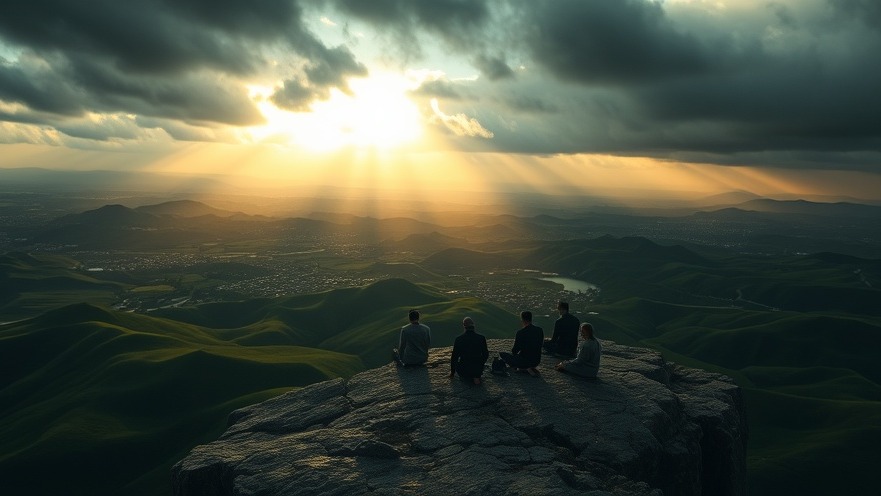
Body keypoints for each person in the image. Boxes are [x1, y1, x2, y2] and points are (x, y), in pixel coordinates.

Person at [499, 311, 544, 375]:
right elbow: (540, 344)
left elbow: (515, 350)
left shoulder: (521, 333)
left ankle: (524, 368)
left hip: (524, 362)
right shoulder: (539, 330)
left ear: (522, 319)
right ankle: (529, 368)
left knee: (502, 354)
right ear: (531, 319)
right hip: (536, 361)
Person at [449, 316, 489, 385]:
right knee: (475, 372)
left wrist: (452, 373)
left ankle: (472, 377)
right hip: (477, 368)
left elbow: (454, 357)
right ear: (473, 325)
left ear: (464, 326)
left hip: (464, 369)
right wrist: (480, 364)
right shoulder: (481, 338)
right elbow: (485, 354)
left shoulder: (459, 339)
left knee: (463, 369)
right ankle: (476, 377)